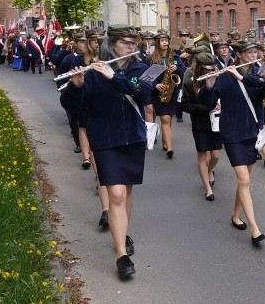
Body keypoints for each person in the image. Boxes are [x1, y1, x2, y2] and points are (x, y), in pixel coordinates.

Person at [60, 24, 152, 279]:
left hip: (133, 137)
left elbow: (143, 93)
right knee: (117, 195)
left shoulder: (140, 69)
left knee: (128, 191)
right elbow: (73, 106)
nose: (132, 47)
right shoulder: (94, 72)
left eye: (134, 42)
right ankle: (121, 255)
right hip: (105, 140)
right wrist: (76, 86)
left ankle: (122, 232)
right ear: (112, 45)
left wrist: (114, 77)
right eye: (126, 42)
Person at [198, 45, 265, 246]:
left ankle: (235, 215)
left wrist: (243, 78)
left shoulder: (262, 71)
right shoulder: (224, 76)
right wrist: (208, 86)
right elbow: (207, 103)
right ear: (239, 54)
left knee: (245, 181)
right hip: (232, 134)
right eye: (249, 52)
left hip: (252, 132)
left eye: (255, 52)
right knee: (243, 179)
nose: (254, 55)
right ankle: (254, 228)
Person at [180, 48, 222, 201]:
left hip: (216, 120)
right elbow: (184, 104)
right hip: (200, 121)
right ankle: (208, 188)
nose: (209, 71)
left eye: (211, 68)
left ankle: (209, 170)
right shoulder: (189, 77)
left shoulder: (217, 75)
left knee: (216, 156)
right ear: (199, 67)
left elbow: (223, 95)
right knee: (202, 155)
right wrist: (203, 108)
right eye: (206, 68)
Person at [147, 30, 185, 158]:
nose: (165, 42)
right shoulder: (151, 58)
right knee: (165, 118)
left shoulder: (174, 57)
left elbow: (183, 72)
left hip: (171, 91)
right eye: (162, 41)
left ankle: (166, 142)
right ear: (158, 43)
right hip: (157, 91)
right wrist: (155, 85)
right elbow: (145, 76)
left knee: (167, 118)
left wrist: (177, 69)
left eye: (166, 40)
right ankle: (169, 148)